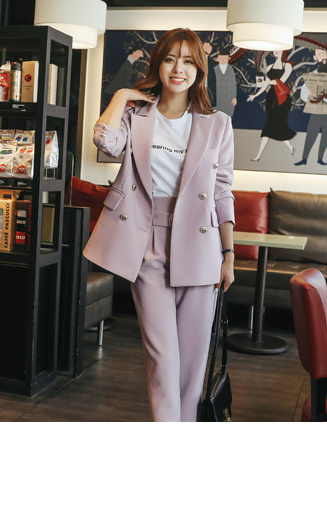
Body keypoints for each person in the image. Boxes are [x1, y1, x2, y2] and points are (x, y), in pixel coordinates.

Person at [83, 28, 236, 422]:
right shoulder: (135, 116)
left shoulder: (218, 124)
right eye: (170, 59)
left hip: (200, 245)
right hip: (145, 241)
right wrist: (121, 96)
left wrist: (228, 254)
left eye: (188, 61)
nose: (178, 68)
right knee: (162, 355)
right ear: (158, 65)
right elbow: (106, 143)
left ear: (199, 70)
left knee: (192, 362)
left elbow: (222, 191)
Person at [295, 49, 327, 166]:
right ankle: (304, 158)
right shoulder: (313, 75)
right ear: (315, 58)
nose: (323, 56)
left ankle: (320, 158)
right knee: (311, 133)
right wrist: (307, 93)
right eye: (320, 54)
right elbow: (303, 95)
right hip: (316, 108)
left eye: (324, 54)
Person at [247, 50, 295, 161]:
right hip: (271, 96)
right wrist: (255, 95)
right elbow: (265, 85)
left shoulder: (287, 66)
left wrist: (266, 82)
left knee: (272, 125)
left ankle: (258, 156)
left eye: (279, 50)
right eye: (275, 50)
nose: (276, 52)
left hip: (282, 97)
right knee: (273, 125)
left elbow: (280, 81)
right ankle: (290, 147)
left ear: (283, 51)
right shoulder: (269, 67)